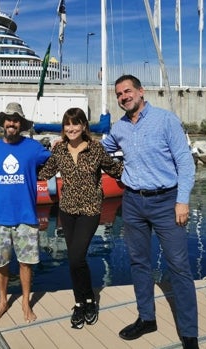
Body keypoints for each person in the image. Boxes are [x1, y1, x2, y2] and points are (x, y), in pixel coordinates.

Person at [102, 75, 199, 349]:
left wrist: (182, 200)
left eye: (128, 91)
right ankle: (147, 318)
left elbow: (184, 162)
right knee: (139, 263)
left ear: (141, 92)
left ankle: (189, 335)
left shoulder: (166, 120)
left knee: (179, 267)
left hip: (167, 201)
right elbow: (105, 150)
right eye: (119, 94)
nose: (124, 97)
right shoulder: (119, 128)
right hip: (133, 202)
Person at [38, 107, 123, 329]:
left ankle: (88, 301)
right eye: (68, 124)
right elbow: (43, 173)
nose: (72, 128)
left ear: (84, 126)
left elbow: (115, 171)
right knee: (77, 260)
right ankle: (82, 302)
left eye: (76, 124)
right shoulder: (59, 151)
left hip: (90, 210)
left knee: (76, 257)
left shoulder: (96, 149)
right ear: (63, 128)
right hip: (67, 210)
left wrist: (140, 167)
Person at [0, 102, 50, 323]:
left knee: (26, 263)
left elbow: (56, 160)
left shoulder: (34, 148)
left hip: (26, 217)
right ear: (3, 123)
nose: (12, 123)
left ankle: (25, 302)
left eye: (16, 120)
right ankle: (3, 301)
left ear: (21, 124)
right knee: (0, 263)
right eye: (8, 119)